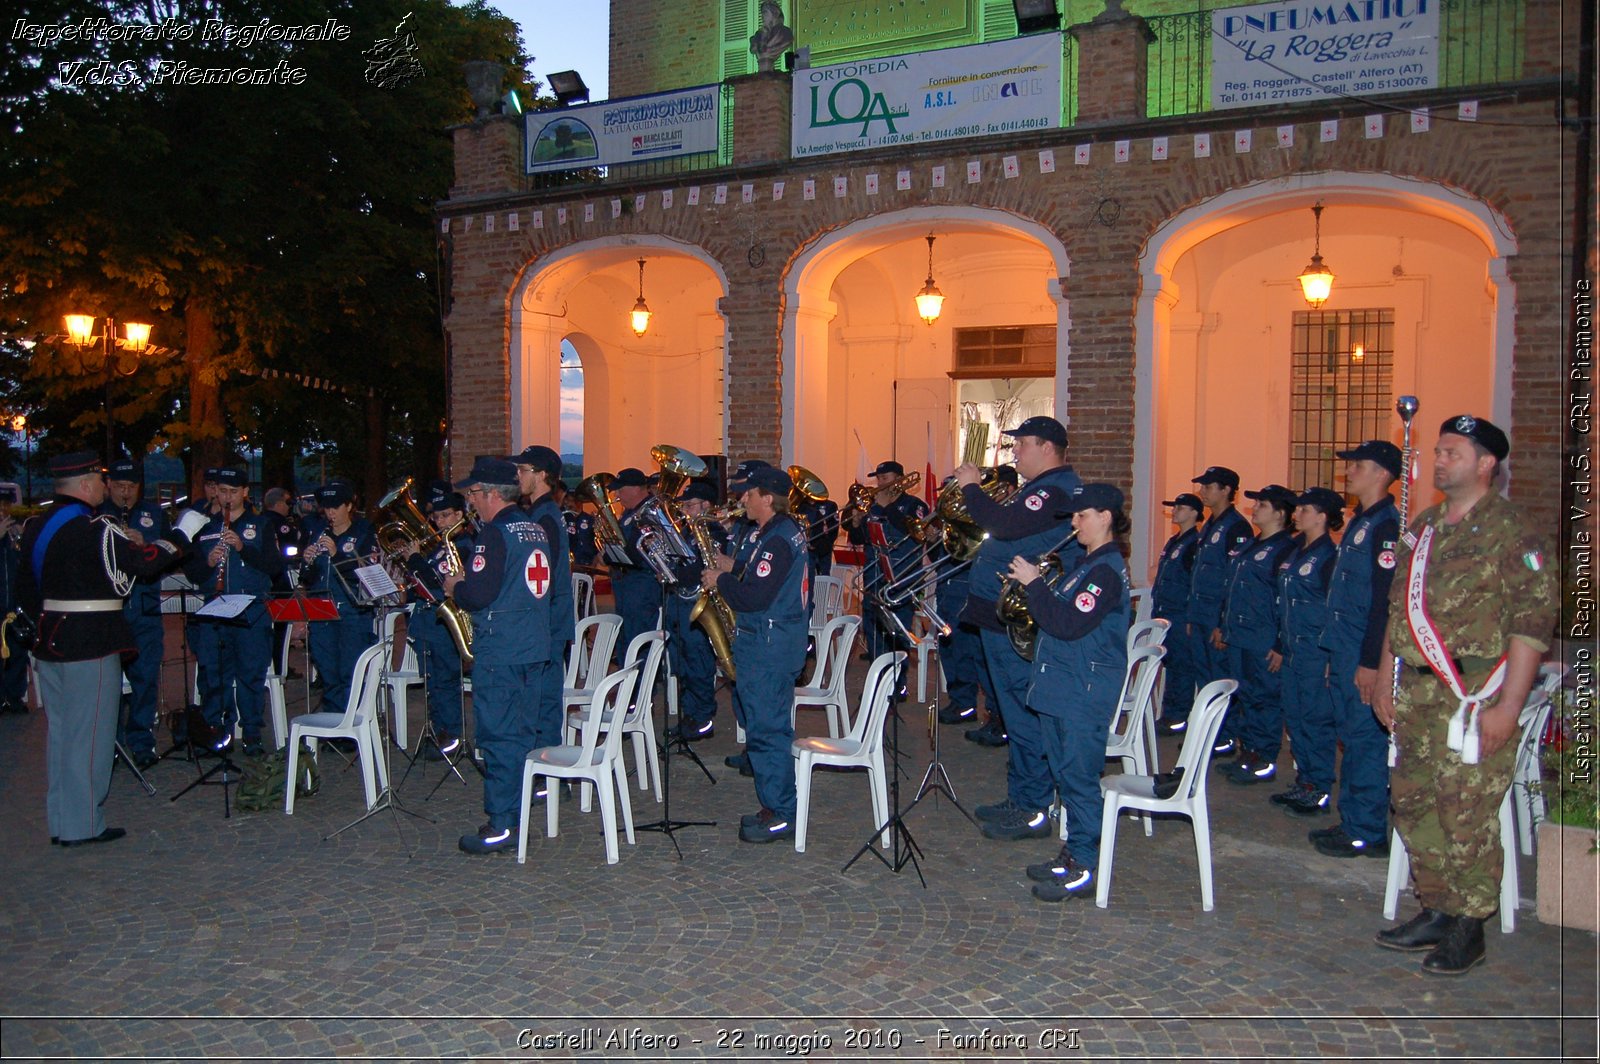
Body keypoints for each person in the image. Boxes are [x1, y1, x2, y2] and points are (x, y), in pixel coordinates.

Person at [1372, 415, 1556, 975]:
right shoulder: (1424, 527)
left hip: (1475, 694)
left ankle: (1469, 926)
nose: (1439, 459)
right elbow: (1399, 608)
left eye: (1452, 451)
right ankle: (1438, 907)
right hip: (1418, 693)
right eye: (1438, 450)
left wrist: (1509, 707)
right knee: (1415, 801)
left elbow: (1530, 625)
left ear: (1485, 463)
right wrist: (1385, 674)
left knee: (1467, 812)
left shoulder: (1514, 531)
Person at [18, 452, 189, 846]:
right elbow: (143, 564)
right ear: (83, 485)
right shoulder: (95, 528)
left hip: (51, 639)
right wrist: (180, 536)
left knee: (61, 735)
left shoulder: (35, 526)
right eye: (98, 479)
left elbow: (26, 587)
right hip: (91, 640)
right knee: (91, 735)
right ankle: (83, 825)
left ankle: (62, 820)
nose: (103, 486)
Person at [954, 416, 1083, 841]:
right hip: (1000, 615)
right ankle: (1023, 796)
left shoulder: (1053, 489)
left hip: (1017, 619)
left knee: (1024, 711)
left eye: (1022, 444)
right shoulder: (1038, 489)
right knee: (1012, 709)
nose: (1015, 452)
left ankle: (1033, 806)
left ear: (1047, 448)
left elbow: (1005, 527)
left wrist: (972, 485)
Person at [1008, 483, 1131, 901]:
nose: (1075, 523)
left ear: (1106, 517)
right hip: (1065, 686)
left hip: (1083, 691)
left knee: (1078, 779)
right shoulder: (1087, 564)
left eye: (1082, 515)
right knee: (1065, 775)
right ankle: (1073, 852)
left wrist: (1034, 583)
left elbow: (1067, 624)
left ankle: (1085, 865)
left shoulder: (1104, 571)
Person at [446, 456, 556, 855]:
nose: (470, 501)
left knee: (498, 737)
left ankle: (502, 823)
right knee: (522, 733)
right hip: (532, 645)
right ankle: (518, 812)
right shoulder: (535, 528)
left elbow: (478, 594)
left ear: (491, 493)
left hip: (503, 648)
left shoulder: (495, 533)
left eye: (473, 493)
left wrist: (454, 585)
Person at [702, 464, 811, 843]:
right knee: (768, 728)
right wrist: (737, 565)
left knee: (767, 733)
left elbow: (755, 596)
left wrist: (723, 580)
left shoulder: (778, 538)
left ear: (768, 498)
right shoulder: (781, 532)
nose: (742, 499)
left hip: (767, 646)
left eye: (748, 493)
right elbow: (768, 574)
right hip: (774, 642)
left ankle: (781, 812)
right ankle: (776, 806)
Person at [1312, 439, 1403, 858]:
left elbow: (1385, 602)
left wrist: (1371, 663)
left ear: (1382, 474)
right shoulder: (1361, 521)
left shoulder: (1386, 525)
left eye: (1358, 465)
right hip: (1344, 646)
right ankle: (1353, 819)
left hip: (1362, 651)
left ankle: (1366, 829)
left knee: (1365, 738)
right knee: (1350, 734)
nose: (1350, 472)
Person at [183, 467, 282, 755]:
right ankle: (218, 730)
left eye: (233, 492)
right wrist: (210, 564)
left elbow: (274, 567)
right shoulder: (205, 527)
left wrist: (242, 548)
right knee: (215, 673)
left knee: (251, 673)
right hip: (215, 609)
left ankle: (252, 732)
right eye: (222, 492)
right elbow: (193, 572)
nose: (227, 497)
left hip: (251, 610)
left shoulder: (260, 525)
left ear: (245, 493)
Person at [1214, 484, 1299, 784]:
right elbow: (1231, 588)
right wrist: (1223, 624)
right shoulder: (1251, 545)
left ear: (1280, 513)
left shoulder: (1286, 548)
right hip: (1240, 634)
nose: (1255, 508)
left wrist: (1279, 643)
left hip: (1263, 636)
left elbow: (1286, 599)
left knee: (1264, 698)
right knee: (1245, 695)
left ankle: (1264, 758)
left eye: (1262, 504)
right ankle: (1247, 751)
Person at [1163, 466, 1253, 746]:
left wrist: (1222, 622)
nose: (1203, 491)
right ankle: (1209, 733)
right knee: (1204, 678)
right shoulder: (1211, 526)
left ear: (1226, 490)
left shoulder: (1236, 526)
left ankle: (1224, 736)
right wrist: (1193, 615)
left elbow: (1233, 578)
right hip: (1200, 615)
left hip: (1216, 619)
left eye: (1209, 486)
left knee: (1219, 678)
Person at [1271, 488, 1343, 813]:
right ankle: (1305, 781)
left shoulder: (1329, 556)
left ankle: (1319, 786)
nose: (1296, 514)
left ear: (1322, 516)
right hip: (1292, 649)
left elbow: (1333, 608)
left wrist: (1330, 655)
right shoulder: (1298, 550)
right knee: (1295, 717)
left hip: (1315, 652)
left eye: (1304, 509)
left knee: (1316, 720)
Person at [98, 459, 169, 767]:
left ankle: (142, 742)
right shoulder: (97, 516)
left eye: (132, 487)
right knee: (109, 682)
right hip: (111, 611)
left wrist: (146, 544)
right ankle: (109, 744)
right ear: (109, 486)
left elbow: (169, 555)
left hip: (145, 607)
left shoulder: (154, 514)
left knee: (145, 678)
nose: (126, 493)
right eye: (120, 487)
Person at [510, 445, 574, 754]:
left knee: (543, 701)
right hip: (545, 621)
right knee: (538, 699)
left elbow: (542, 575)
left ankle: (546, 770)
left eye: (524, 471)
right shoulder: (537, 513)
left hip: (545, 623)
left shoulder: (545, 518)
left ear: (543, 476)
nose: (518, 476)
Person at [403, 483, 474, 759]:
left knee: (445, 680)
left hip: (445, 624)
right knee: (432, 681)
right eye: (436, 516)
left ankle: (450, 735)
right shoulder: (437, 545)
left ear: (459, 515)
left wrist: (416, 560)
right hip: (427, 622)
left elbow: (438, 580)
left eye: (446, 515)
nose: (439, 521)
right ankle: (437, 730)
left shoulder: (464, 545)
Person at [846, 460, 929, 692]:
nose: (880, 483)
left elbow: (914, 533)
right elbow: (859, 540)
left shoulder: (914, 505)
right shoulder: (872, 506)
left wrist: (885, 508)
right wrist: (855, 523)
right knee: (873, 630)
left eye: (885, 478)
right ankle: (879, 682)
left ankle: (897, 684)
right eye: (878, 479)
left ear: (900, 479)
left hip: (902, 578)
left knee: (897, 631)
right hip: (874, 577)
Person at [299, 481, 378, 714]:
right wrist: (307, 561)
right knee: (328, 669)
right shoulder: (317, 532)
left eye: (336, 507)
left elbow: (366, 571)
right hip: (321, 610)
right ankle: (334, 720)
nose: (331, 513)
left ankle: (352, 721)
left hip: (352, 612)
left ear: (349, 505)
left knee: (350, 670)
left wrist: (336, 555)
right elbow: (308, 577)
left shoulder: (364, 531)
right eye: (327, 508)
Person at [669, 478, 728, 742]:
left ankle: (703, 717)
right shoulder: (686, 531)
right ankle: (690, 713)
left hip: (698, 602)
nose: (686, 510)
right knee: (682, 662)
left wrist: (678, 573)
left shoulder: (714, 533)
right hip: (680, 602)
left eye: (690, 505)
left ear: (706, 505)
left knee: (698, 661)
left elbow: (702, 567)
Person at [1150, 492, 1203, 727]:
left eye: (1181, 507)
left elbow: (1193, 582)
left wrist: (1190, 614)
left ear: (1193, 513)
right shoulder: (1176, 541)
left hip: (1180, 612)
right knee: (1171, 663)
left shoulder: (1194, 544)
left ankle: (1178, 715)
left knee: (1181, 665)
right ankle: (1172, 711)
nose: (1175, 511)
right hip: (1166, 611)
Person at [609, 467, 665, 663]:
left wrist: (615, 550)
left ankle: (639, 684)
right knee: (626, 633)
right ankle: (629, 681)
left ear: (635, 489)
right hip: (627, 581)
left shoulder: (649, 511)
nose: (617, 495)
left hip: (642, 581)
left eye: (620, 490)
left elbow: (637, 550)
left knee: (638, 635)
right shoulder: (629, 513)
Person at [0, 485, 28, 715]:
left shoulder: (13, 532)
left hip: (14, 604)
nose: (4, 510)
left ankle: (14, 696)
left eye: (6, 505)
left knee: (17, 651)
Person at [748, 0, 794, 71]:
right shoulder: (758, 35)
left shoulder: (785, 33)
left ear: (775, 13)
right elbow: (753, 48)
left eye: (765, 12)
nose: (762, 16)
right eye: (762, 14)